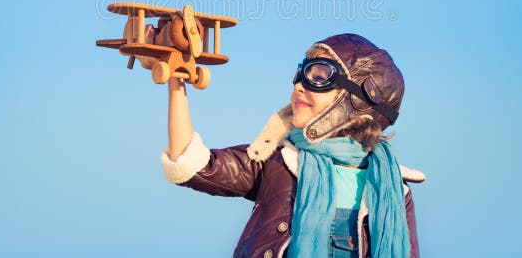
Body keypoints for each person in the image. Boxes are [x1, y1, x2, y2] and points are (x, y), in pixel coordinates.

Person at [160, 33, 424, 258]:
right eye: (302, 72)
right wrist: (176, 80)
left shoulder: (395, 190)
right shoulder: (280, 162)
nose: (299, 85)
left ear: (355, 100)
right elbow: (192, 163)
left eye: (319, 75)